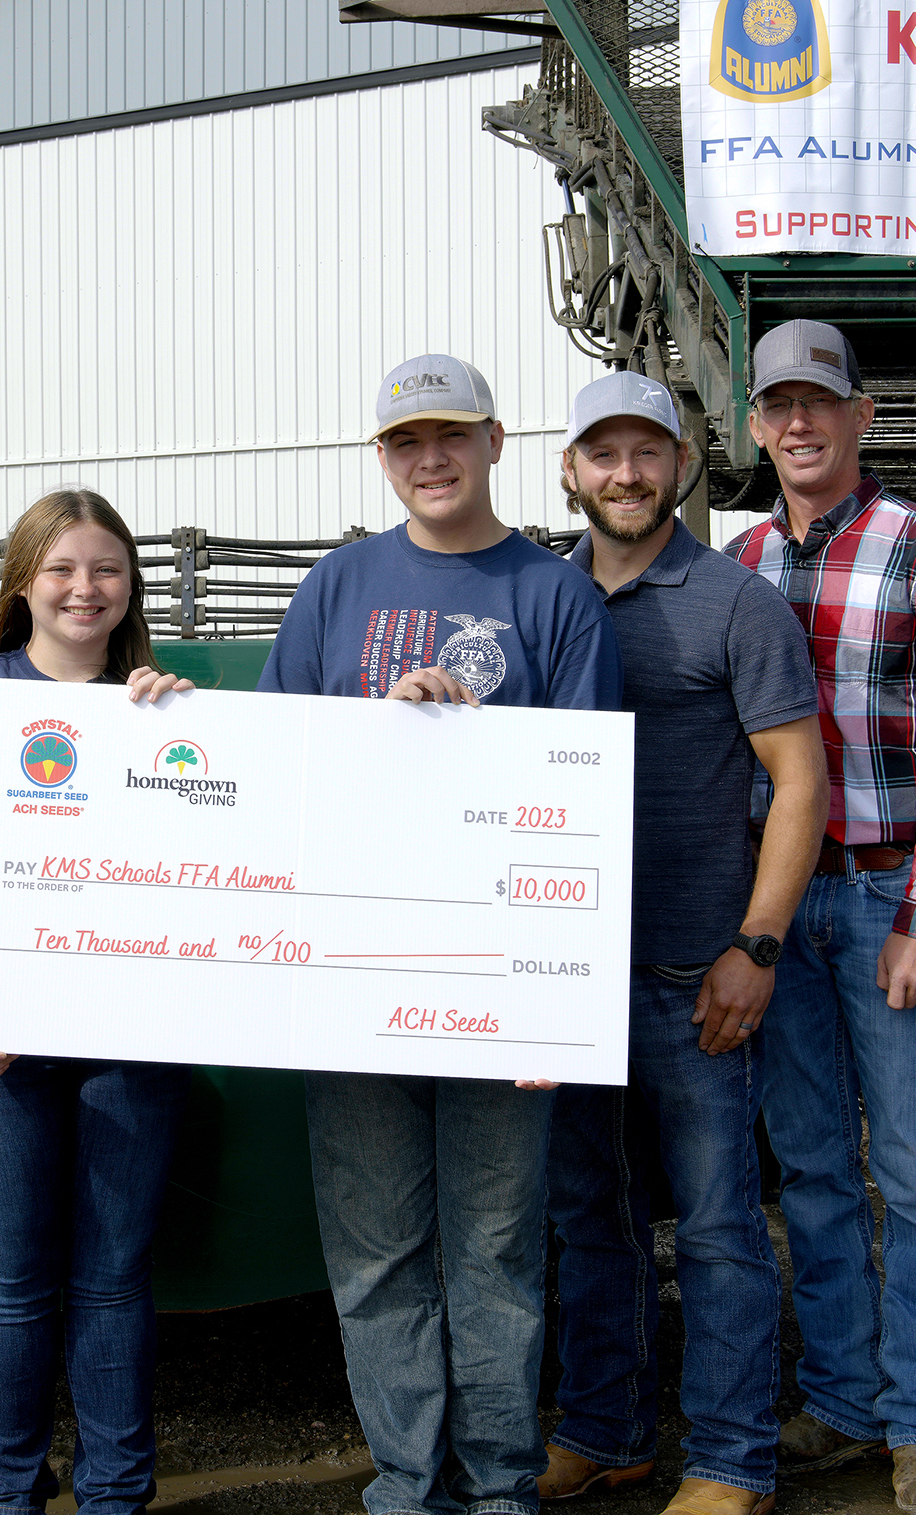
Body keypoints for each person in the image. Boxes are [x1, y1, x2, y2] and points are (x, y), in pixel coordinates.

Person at [255, 355, 624, 1515]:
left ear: (495, 442)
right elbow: (278, 768)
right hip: (356, 985)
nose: (430, 459)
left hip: (500, 986)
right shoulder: (335, 588)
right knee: (374, 1255)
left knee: (499, 1251)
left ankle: (502, 1484)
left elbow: (586, 806)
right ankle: (407, 1486)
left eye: (451, 436)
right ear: (382, 457)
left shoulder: (554, 596)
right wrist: (379, 731)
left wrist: (558, 1002)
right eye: (407, 441)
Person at [724, 320, 916, 1515]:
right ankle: (842, 1402)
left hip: (888, 886)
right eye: (778, 405)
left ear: (861, 415)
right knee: (812, 1165)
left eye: (819, 403)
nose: (799, 424)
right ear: (751, 425)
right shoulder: (731, 561)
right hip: (779, 904)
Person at [0, 488, 193, 1515]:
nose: (84, 588)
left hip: (130, 1033)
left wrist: (188, 732)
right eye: (61, 569)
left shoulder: (162, 710)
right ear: (21, 587)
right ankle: (6, 1492)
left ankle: (115, 1492)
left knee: (112, 1278)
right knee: (9, 1281)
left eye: (105, 568)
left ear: (131, 585)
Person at [540, 372, 827, 1515]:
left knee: (714, 1228)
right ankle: (604, 1431)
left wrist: (754, 946)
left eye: (645, 452)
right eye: (601, 453)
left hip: (688, 970)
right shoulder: (536, 598)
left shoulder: (734, 601)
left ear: (683, 463)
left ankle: (730, 1460)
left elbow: (798, 781)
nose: (624, 473)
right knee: (586, 1219)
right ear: (568, 469)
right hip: (560, 971)